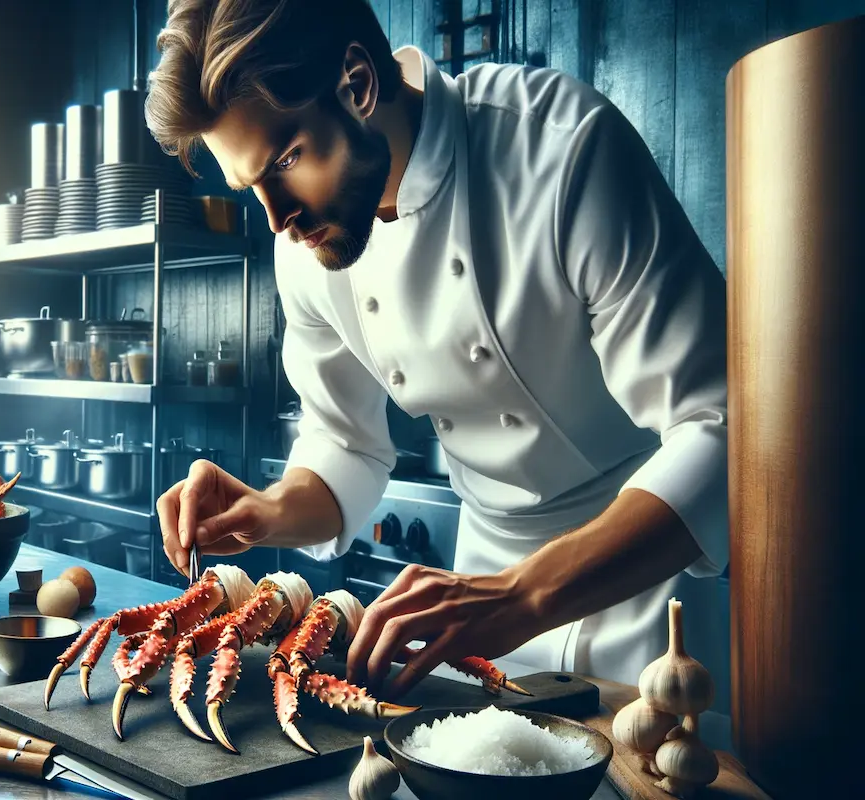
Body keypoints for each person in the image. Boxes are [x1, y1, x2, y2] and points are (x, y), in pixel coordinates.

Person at [144, 0, 728, 696]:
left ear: (358, 84)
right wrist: (269, 510)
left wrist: (525, 594)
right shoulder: (305, 246)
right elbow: (345, 444)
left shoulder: (561, 148)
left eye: (288, 161)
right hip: (477, 605)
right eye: (251, 186)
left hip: (652, 589)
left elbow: (722, 433)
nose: (278, 217)